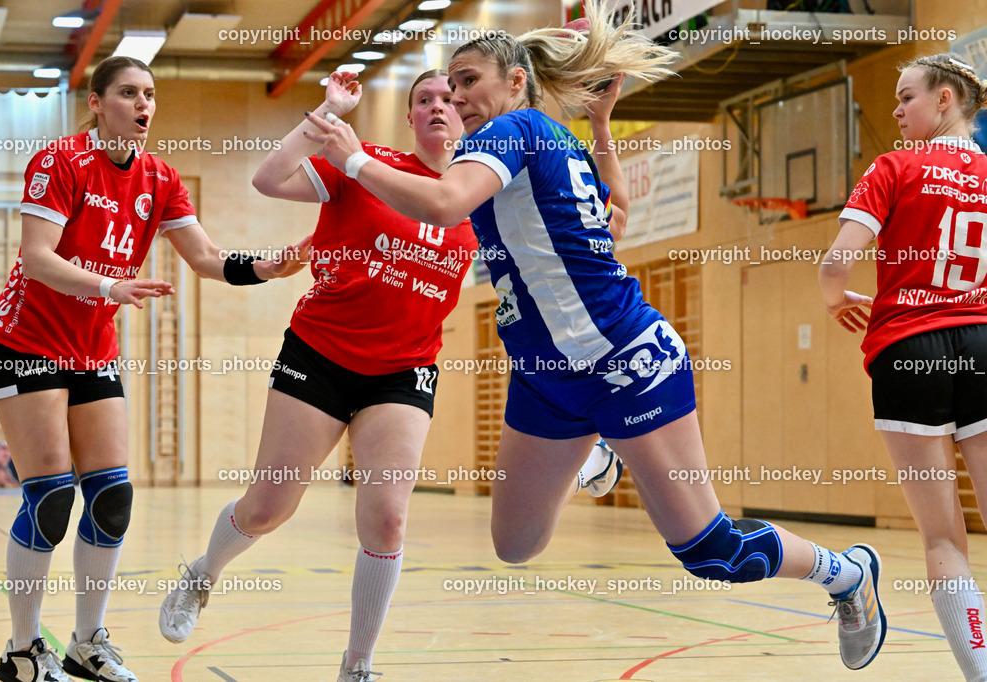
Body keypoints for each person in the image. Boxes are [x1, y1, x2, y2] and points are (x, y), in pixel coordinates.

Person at [306, 0, 887, 673]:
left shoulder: (514, 131)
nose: (457, 96)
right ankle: (595, 450)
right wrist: (603, 124)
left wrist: (352, 159)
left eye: (468, 81)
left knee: (712, 551)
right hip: (547, 379)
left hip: (625, 361)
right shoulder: (545, 142)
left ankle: (846, 574)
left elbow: (441, 205)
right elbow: (619, 215)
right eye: (449, 85)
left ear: (515, 83)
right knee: (514, 545)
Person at [156, 68, 621, 682]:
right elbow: (267, 178)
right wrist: (324, 114)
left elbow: (605, 212)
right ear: (408, 118)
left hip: (404, 370)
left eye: (448, 99)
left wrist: (600, 124)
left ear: (465, 116)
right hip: (319, 355)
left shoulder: (483, 193)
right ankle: (202, 576)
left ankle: (358, 664)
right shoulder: (366, 162)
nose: (437, 106)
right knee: (269, 507)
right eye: (423, 99)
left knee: (387, 518)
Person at [0, 55, 308, 682]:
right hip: (26, 341)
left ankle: (87, 643)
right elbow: (36, 258)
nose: (144, 104)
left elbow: (206, 256)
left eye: (151, 94)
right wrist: (109, 287)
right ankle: (23, 650)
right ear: (97, 103)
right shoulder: (60, 162)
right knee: (51, 499)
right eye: (129, 92)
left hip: (91, 350)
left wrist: (265, 266)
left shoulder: (160, 178)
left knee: (111, 497)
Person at [820, 53, 987, 681]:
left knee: (944, 538)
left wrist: (838, 300)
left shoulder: (893, 166)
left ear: (945, 99)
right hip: (983, 342)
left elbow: (836, 265)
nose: (895, 110)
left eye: (906, 97)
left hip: (908, 349)